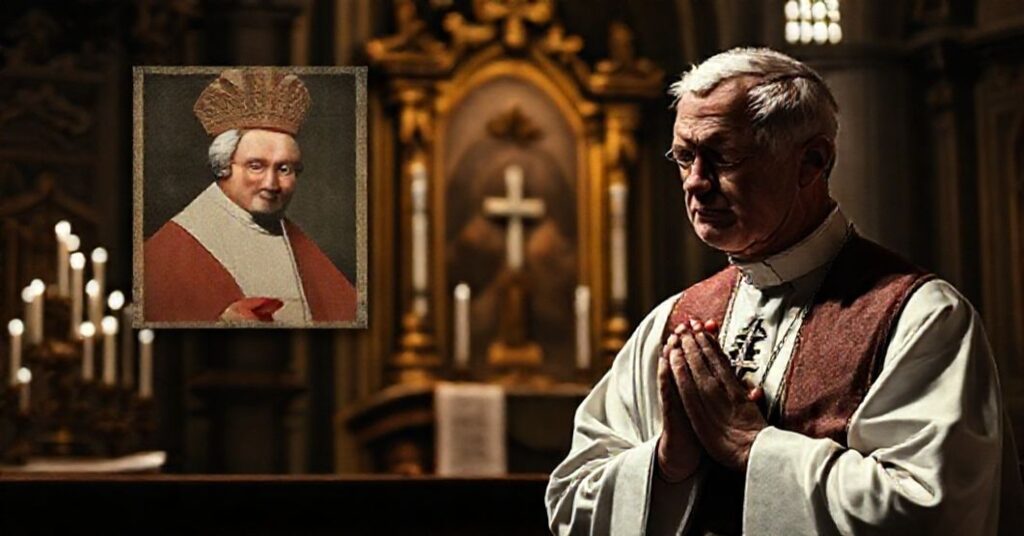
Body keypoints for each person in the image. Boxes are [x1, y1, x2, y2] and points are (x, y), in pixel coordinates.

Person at [546, 47, 1024, 535]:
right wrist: (667, 464)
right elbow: (568, 503)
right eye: (685, 157)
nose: (696, 182)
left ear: (812, 162)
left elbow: (932, 512)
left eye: (723, 156)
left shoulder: (920, 318)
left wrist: (753, 447)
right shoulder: (672, 322)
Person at [144, 68, 357, 324]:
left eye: (284, 169)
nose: (271, 184)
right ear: (224, 166)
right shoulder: (172, 247)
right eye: (256, 166)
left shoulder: (293, 238)